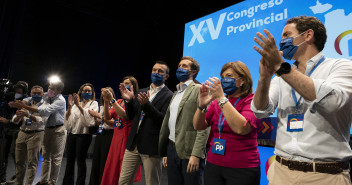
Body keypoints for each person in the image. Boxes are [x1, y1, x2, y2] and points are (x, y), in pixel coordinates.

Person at [252, 16, 352, 185]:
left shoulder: (341, 66)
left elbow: (332, 103)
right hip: (281, 172)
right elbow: (260, 111)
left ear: (308, 35)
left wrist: (281, 67)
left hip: (324, 175)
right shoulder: (281, 76)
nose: (282, 41)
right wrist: (264, 78)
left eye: (286, 35)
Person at [193, 61, 261, 185]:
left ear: (243, 80)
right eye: (223, 77)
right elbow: (198, 126)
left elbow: (242, 128)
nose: (224, 80)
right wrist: (201, 106)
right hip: (214, 164)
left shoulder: (252, 100)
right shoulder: (215, 102)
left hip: (242, 168)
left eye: (229, 76)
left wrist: (222, 99)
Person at [118, 61, 173, 185]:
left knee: (151, 182)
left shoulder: (169, 96)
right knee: (123, 182)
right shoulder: (141, 91)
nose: (156, 73)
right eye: (154, 70)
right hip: (133, 143)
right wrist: (129, 101)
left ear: (166, 76)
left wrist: (147, 105)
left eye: (160, 71)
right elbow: (132, 116)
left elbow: (163, 121)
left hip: (151, 146)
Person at [159, 56, 209, 185]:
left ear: (193, 72)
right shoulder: (176, 93)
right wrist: (166, 152)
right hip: (172, 149)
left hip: (189, 151)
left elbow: (204, 126)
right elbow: (170, 122)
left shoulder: (199, 90)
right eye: (179, 66)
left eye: (185, 66)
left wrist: (196, 154)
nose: (180, 68)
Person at [10, 80, 67, 185]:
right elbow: (29, 97)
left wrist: (26, 109)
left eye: (52, 89)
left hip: (57, 129)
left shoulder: (60, 100)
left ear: (59, 91)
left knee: (55, 158)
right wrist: (22, 103)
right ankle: (44, 181)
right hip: (46, 129)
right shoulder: (46, 95)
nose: (49, 90)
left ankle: (52, 182)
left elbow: (44, 111)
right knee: (45, 157)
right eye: (49, 87)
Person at [100, 76, 142, 185]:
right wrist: (106, 102)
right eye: (123, 83)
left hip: (128, 138)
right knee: (112, 167)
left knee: (124, 171)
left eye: (128, 83)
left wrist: (112, 100)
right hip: (117, 138)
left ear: (133, 86)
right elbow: (108, 118)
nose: (125, 85)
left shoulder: (135, 101)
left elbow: (125, 116)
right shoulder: (119, 101)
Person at [62, 83, 98, 185]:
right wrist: (70, 107)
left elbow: (90, 121)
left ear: (92, 93)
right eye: (85, 91)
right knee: (69, 160)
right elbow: (68, 120)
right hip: (73, 134)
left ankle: (80, 183)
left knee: (80, 161)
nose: (87, 93)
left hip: (84, 136)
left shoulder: (93, 104)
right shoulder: (75, 104)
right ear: (81, 92)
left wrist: (78, 105)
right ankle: (68, 182)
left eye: (89, 91)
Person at [12, 85, 47, 185]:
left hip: (36, 134)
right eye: (34, 93)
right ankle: (18, 183)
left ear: (42, 94)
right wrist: (18, 117)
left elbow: (42, 121)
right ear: (31, 94)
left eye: (38, 93)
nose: (36, 95)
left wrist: (28, 114)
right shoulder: (25, 103)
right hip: (22, 133)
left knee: (32, 163)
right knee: (19, 162)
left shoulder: (45, 106)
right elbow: (15, 121)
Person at [86, 87, 115, 185]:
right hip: (100, 135)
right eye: (103, 93)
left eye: (107, 93)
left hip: (110, 136)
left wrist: (99, 116)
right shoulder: (102, 107)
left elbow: (114, 123)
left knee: (104, 161)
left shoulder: (116, 106)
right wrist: (95, 118)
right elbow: (100, 123)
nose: (104, 95)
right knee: (96, 161)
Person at [0, 81, 28, 185]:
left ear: (24, 92)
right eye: (15, 91)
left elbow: (25, 118)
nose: (16, 93)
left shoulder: (26, 102)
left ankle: (18, 177)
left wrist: (9, 120)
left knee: (16, 155)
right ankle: (2, 178)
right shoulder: (8, 99)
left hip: (18, 131)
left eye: (19, 91)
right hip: (6, 130)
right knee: (3, 155)